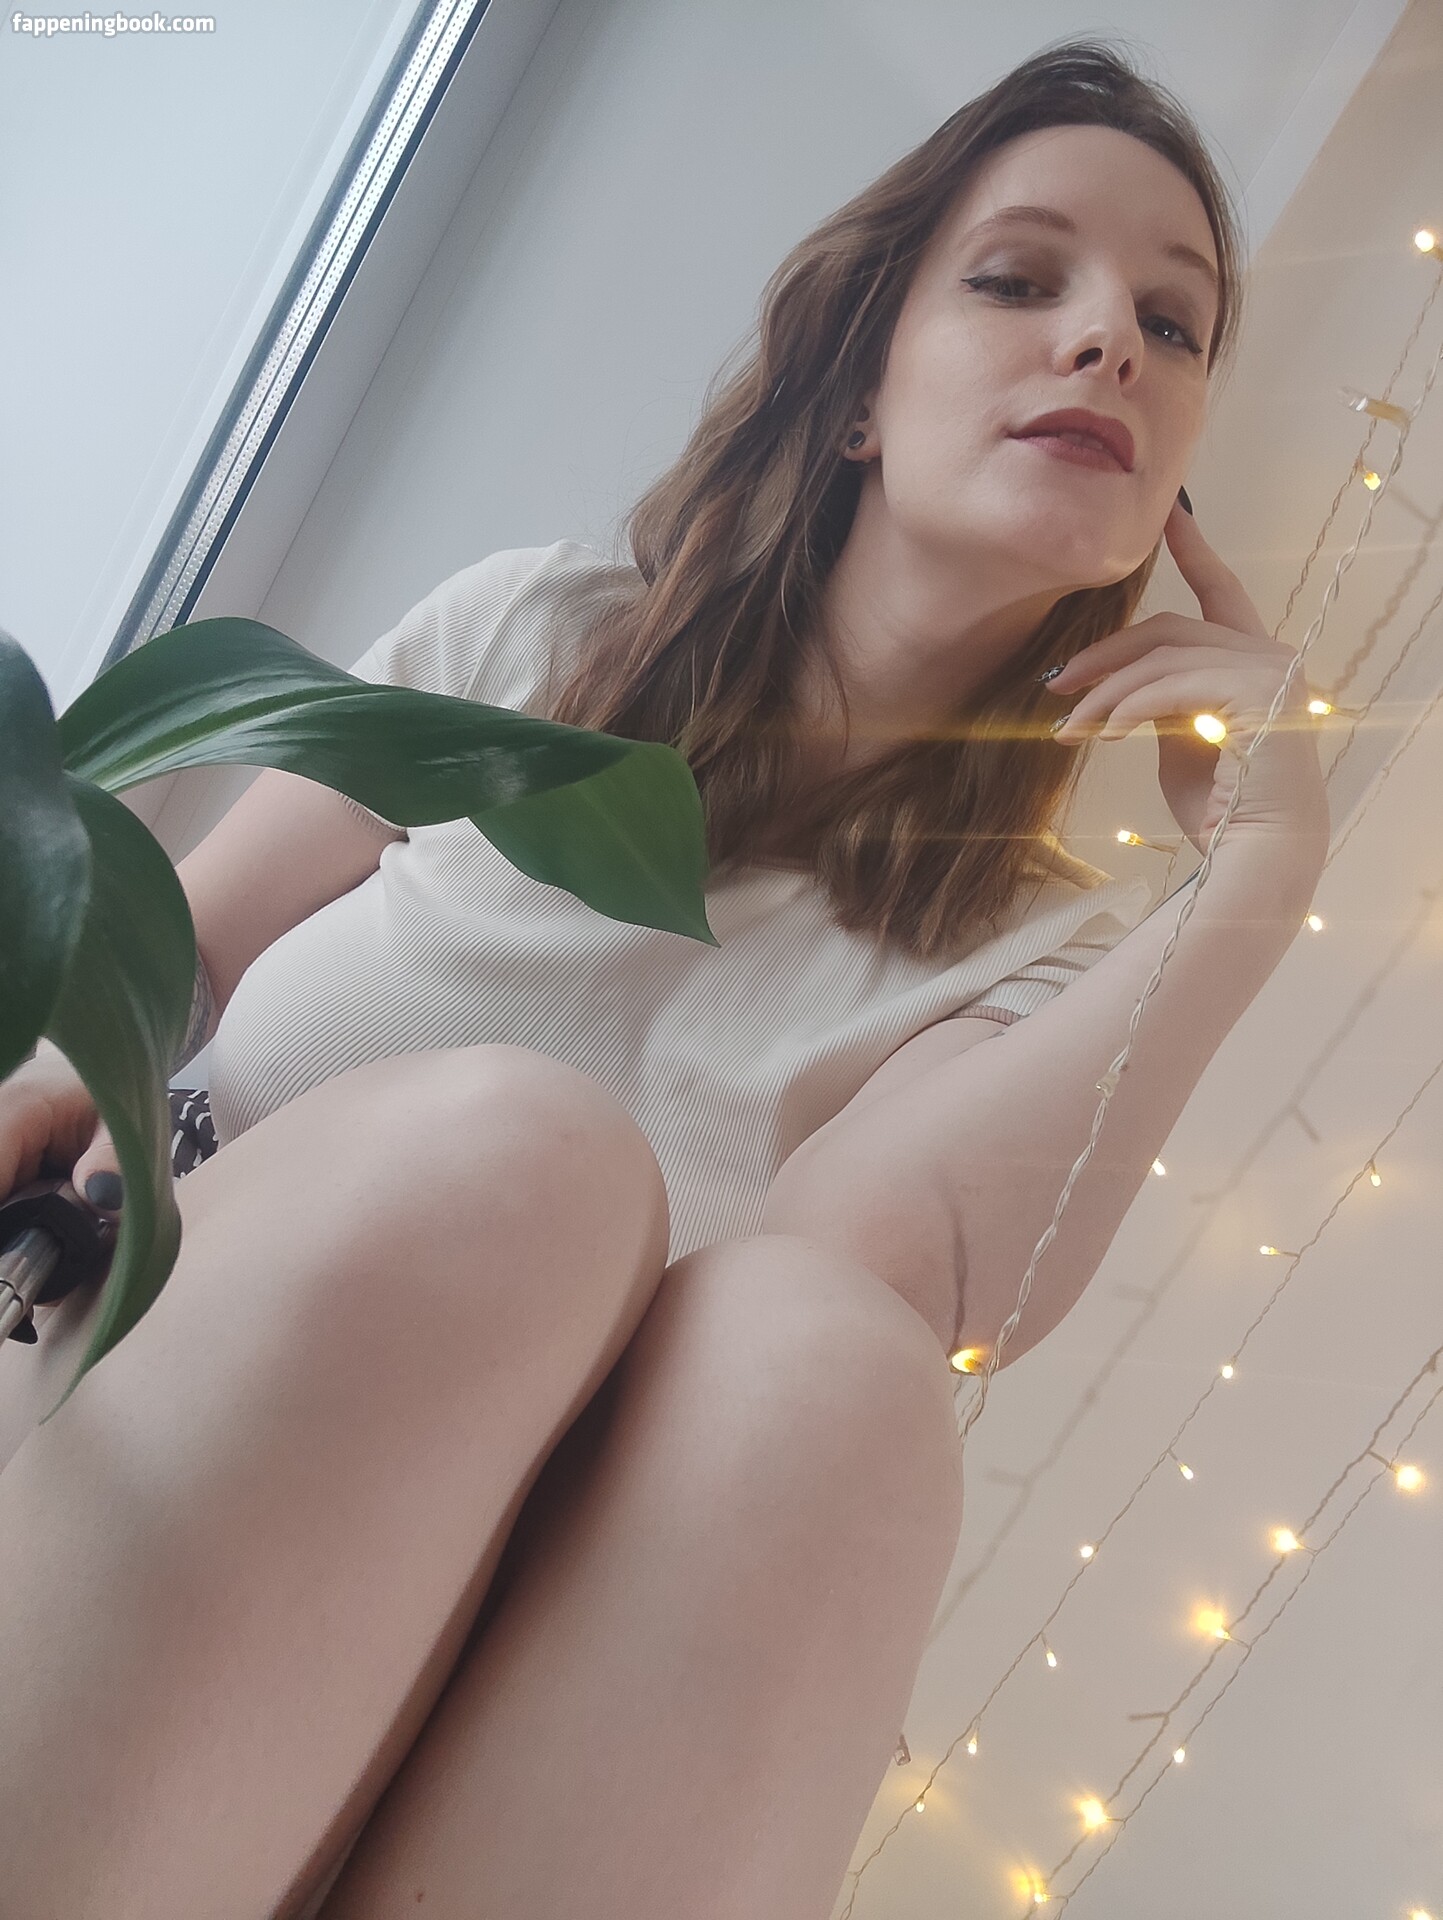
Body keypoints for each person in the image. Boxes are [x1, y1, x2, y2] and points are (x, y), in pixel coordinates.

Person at [0, 39, 1328, 1920]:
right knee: (517, 1163)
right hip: (107, 1408)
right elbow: (181, 953)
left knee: (831, 1377)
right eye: (1021, 280)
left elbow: (880, 1286)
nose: (1111, 340)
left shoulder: (1042, 954)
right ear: (856, 392)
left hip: (487, 1711)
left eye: (1173, 326)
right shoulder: (529, 643)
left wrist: (1261, 878)